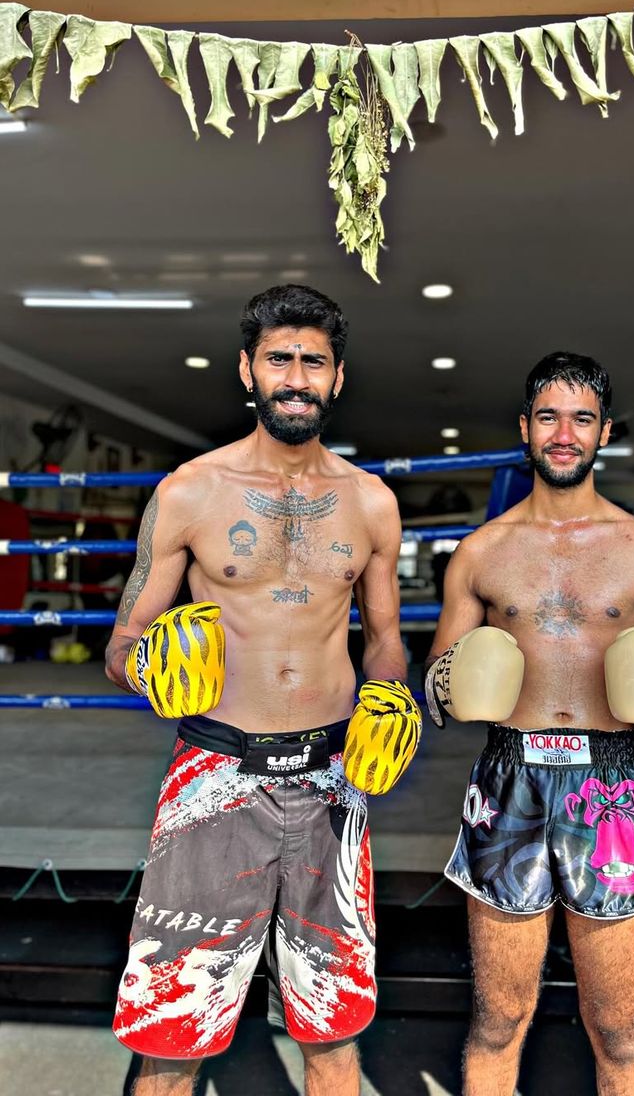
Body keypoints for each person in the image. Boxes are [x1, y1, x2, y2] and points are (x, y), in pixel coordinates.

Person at [105, 284, 420, 1096]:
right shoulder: (190, 491)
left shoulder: (372, 502)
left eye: (314, 361)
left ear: (337, 377)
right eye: (279, 359)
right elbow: (122, 647)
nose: (296, 377)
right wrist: (152, 668)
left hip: (331, 779)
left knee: (334, 1028)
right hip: (216, 772)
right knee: (173, 1035)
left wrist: (390, 702)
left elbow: (385, 639)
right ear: (248, 370)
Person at [425, 351, 634, 1096]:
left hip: (614, 783)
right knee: (497, 1019)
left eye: (581, 419)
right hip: (508, 778)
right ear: (524, 427)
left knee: (619, 1029)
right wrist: (455, 680)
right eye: (549, 417)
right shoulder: (480, 553)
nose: (564, 434)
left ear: (604, 431)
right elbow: (435, 685)